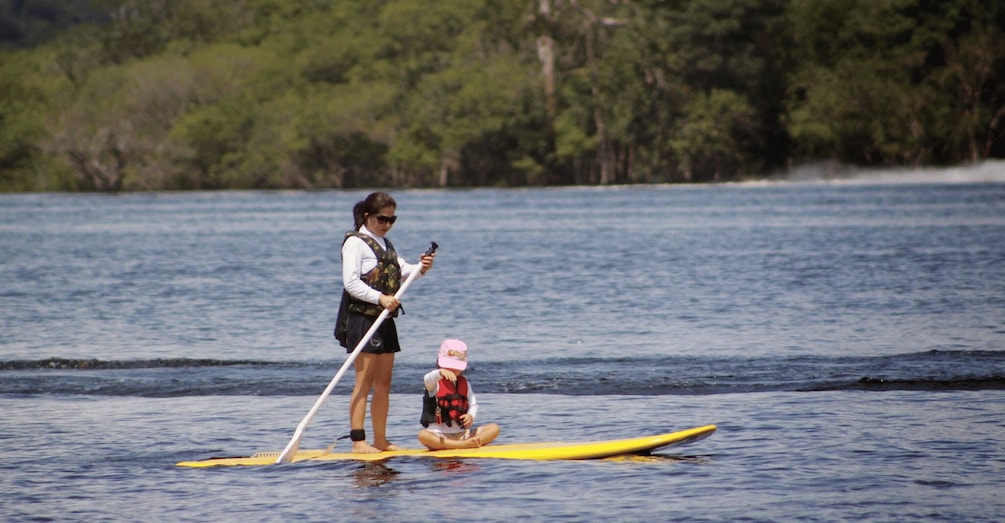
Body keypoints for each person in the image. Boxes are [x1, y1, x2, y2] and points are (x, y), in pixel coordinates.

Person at [335, 191, 435, 453]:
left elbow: (404, 272)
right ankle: (358, 441)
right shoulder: (355, 243)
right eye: (383, 219)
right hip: (364, 319)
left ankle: (380, 440)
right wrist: (380, 298)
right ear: (368, 216)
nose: (387, 224)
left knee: (384, 383)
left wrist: (421, 267)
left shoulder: (386, 243)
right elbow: (351, 283)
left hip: (385, 319)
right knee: (364, 381)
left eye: (392, 219)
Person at [418, 339, 500, 450]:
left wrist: (470, 416)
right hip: (439, 436)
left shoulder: (465, 383)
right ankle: (463, 446)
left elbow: (473, 404)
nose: (451, 369)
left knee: (494, 428)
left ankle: (469, 442)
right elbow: (427, 379)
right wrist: (440, 372)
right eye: (448, 365)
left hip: (462, 434)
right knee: (423, 435)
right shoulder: (434, 383)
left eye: (455, 366)